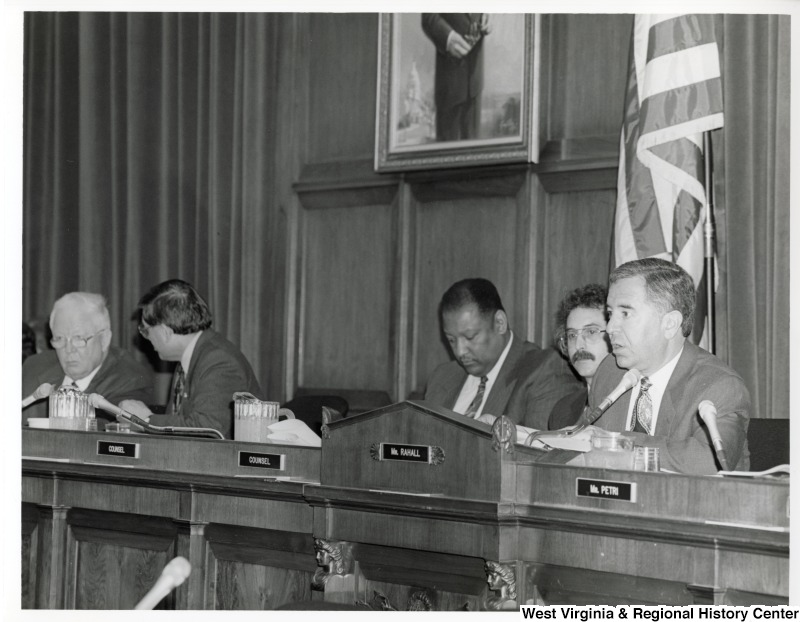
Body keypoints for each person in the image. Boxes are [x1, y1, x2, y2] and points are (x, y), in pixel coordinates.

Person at [590, 258, 750, 474]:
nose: (609, 328)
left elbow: (708, 461)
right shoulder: (609, 372)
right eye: (610, 314)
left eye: (625, 313)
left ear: (670, 324)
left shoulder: (719, 386)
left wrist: (614, 442)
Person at [424, 278, 582, 430]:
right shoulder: (442, 376)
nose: (460, 351)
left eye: (470, 337)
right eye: (451, 340)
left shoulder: (545, 371)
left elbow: (539, 452)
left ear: (499, 323)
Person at [120, 279, 262, 439]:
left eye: (146, 330)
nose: (147, 338)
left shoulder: (219, 361)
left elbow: (209, 430)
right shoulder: (193, 355)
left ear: (164, 331)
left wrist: (146, 421)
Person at [21, 292, 154, 424]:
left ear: (104, 339)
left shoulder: (130, 379)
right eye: (59, 338)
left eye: (79, 338)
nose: (69, 350)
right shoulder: (33, 367)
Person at [548, 284, 611, 429]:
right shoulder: (561, 411)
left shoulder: (634, 405)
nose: (578, 344)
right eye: (572, 335)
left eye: (590, 332)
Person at [421, 14, 489, 141]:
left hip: (475, 81)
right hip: (450, 86)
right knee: (446, 153)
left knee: (475, 151)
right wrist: (448, 37)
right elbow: (428, 16)